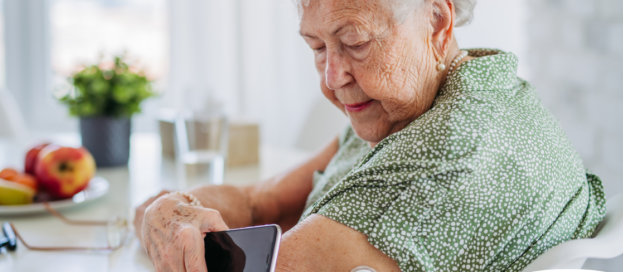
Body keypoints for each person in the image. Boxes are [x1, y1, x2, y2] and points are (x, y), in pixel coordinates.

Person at [134, 0, 607, 271]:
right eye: (317, 47)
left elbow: (253, 269)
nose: (332, 76)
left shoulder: (447, 150)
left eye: (355, 42)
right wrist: (173, 209)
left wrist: (163, 214)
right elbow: (261, 202)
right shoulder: (449, 95)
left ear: (437, 21)